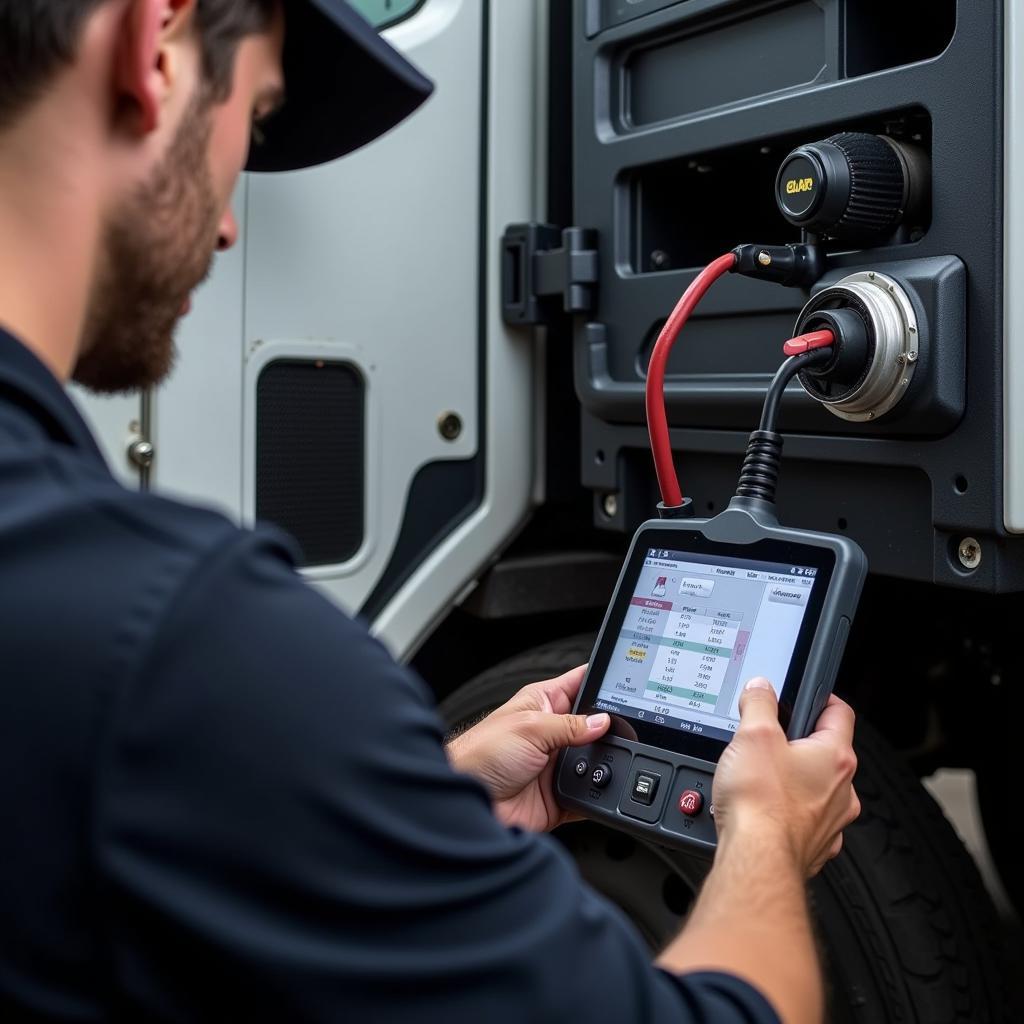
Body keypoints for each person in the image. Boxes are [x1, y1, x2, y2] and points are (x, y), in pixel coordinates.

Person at [0, 2, 860, 1021]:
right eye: (258, 121)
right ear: (154, 49)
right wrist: (765, 834)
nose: (229, 222)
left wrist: (406, 807)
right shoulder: (179, 644)